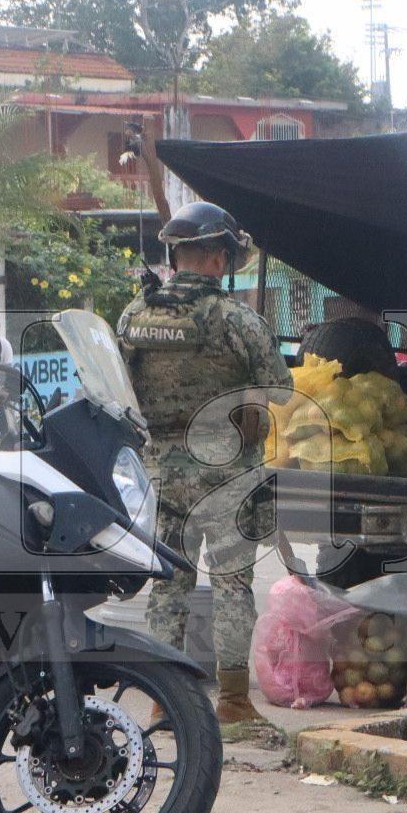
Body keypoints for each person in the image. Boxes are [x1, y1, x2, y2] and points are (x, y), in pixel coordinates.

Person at [117, 201, 291, 726]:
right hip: (225, 474)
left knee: (168, 585)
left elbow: (115, 390)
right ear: (217, 258)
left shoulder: (133, 315)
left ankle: (161, 701)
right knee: (232, 583)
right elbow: (280, 391)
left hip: (159, 474)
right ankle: (234, 704)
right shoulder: (236, 319)